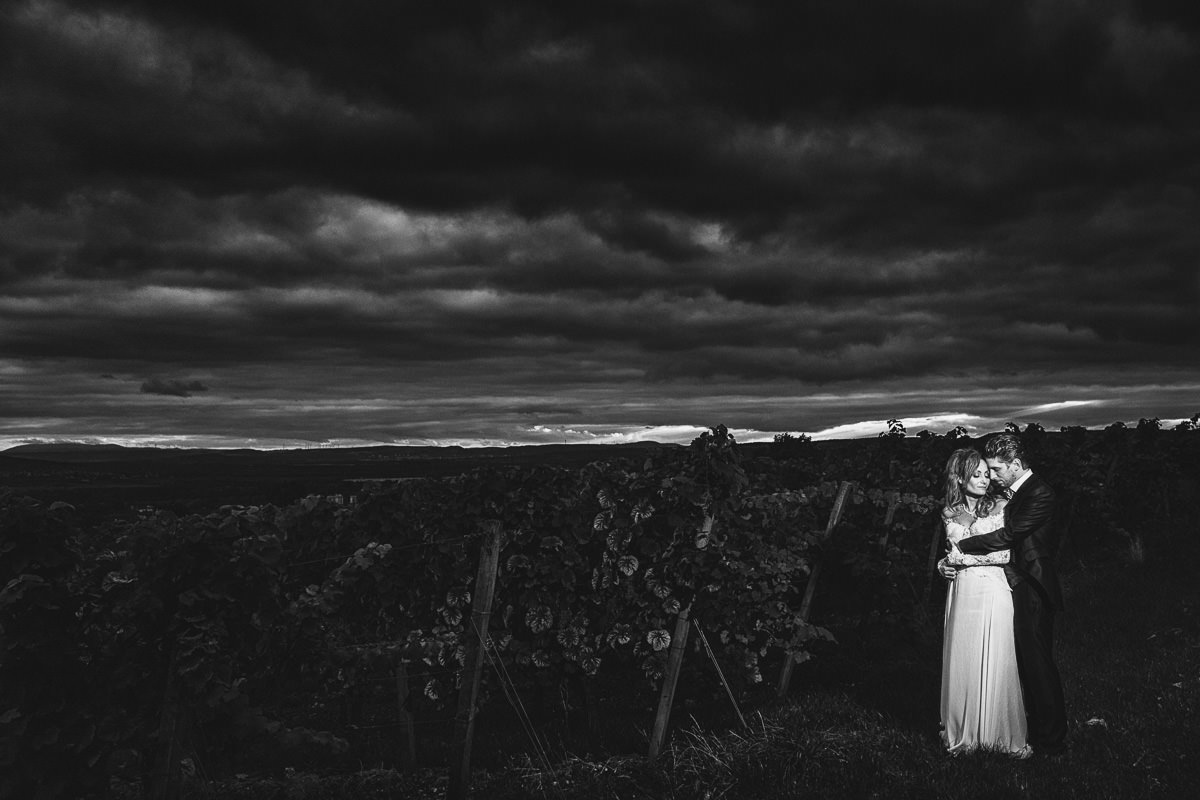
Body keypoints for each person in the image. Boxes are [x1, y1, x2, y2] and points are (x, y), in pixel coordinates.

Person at [950, 433, 1068, 756]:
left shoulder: (1040, 493)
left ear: (1016, 465)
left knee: (1038, 662)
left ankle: (1053, 740)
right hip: (1011, 583)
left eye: (997, 470)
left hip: (1032, 586)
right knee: (1024, 662)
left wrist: (963, 545)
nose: (993, 477)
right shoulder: (1015, 492)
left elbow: (1010, 535)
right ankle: (1032, 725)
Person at [937, 448, 1029, 757]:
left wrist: (960, 557)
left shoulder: (1001, 505)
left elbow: (1002, 554)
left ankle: (998, 734)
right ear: (959, 478)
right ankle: (965, 734)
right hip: (962, 591)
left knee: (998, 654)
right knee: (964, 657)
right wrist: (943, 564)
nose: (983, 479)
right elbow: (949, 553)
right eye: (975, 474)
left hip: (994, 587)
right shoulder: (949, 510)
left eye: (986, 474)